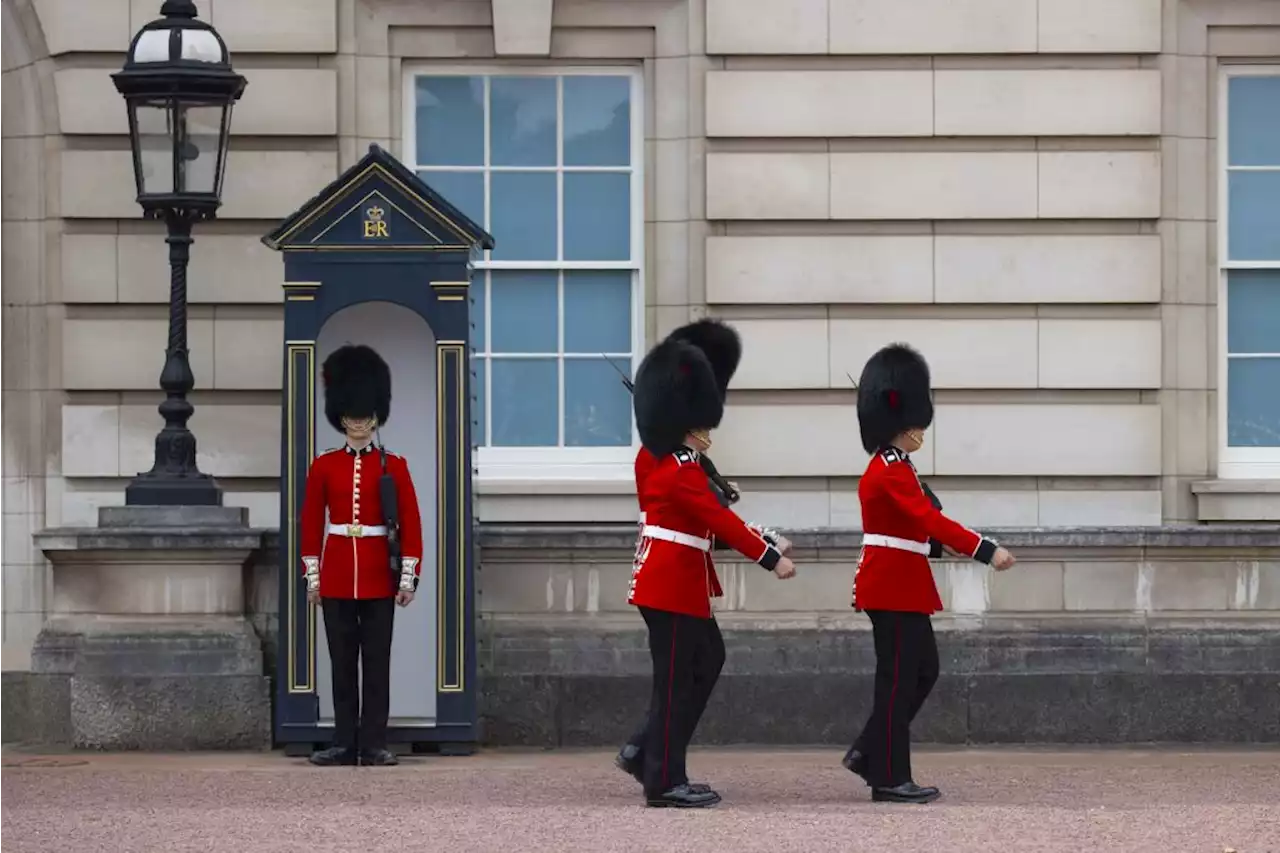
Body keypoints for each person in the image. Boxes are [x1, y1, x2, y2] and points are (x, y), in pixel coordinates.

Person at [620, 319, 798, 809]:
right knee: (678, 683)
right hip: (670, 584)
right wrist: (767, 556)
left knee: (704, 664)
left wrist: (762, 536)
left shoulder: (676, 462)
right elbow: (715, 516)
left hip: (679, 580)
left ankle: (647, 752)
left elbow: (704, 522)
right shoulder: (675, 467)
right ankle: (663, 779)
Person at [842, 343, 1016, 804]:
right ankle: (889, 776)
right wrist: (983, 549)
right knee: (900, 679)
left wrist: (945, 546)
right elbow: (929, 521)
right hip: (891, 584)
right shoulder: (890, 470)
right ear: (902, 421)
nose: (922, 430)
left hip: (903, 581)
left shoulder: (899, 468)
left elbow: (917, 528)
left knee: (921, 672)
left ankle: (870, 753)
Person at [300, 344, 424, 768]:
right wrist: (313, 577)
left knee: (376, 664)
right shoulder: (324, 466)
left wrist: (407, 577)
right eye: (351, 414)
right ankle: (343, 741)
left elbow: (411, 524)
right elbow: (311, 523)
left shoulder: (396, 466)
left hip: (376, 574)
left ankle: (372, 742)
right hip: (336, 574)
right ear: (341, 416)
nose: (357, 421)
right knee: (340, 665)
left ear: (376, 415)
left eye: (364, 414)